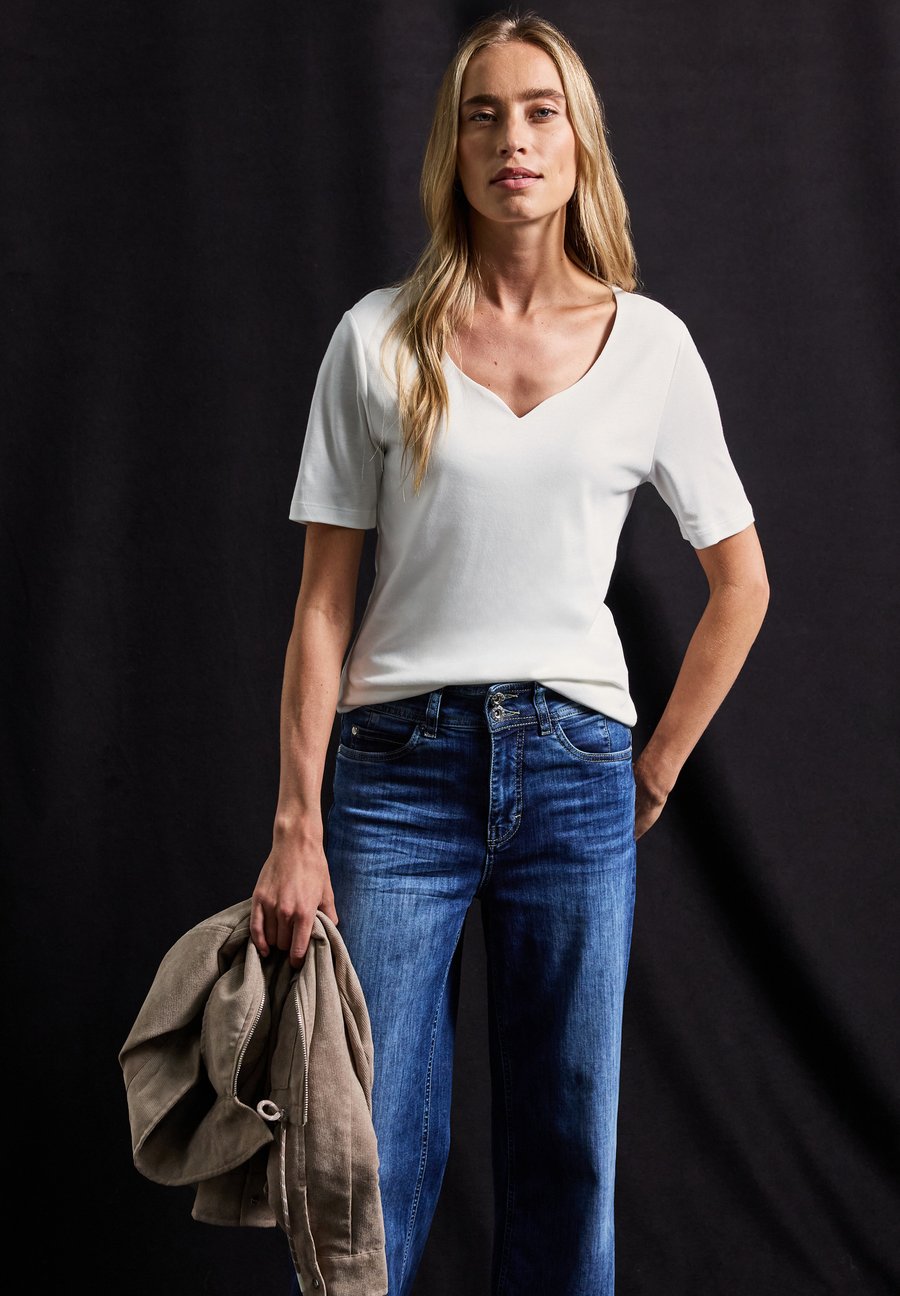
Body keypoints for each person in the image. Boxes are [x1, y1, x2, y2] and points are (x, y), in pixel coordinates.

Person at [252, 9, 769, 1295]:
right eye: (483, 115)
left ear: (580, 142)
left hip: (576, 772)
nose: (513, 140)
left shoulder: (652, 347)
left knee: (566, 1154)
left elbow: (742, 584)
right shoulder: (376, 338)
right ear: (454, 147)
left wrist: (656, 765)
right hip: (394, 778)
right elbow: (322, 608)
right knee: (365, 1154)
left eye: (540, 112)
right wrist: (296, 826)